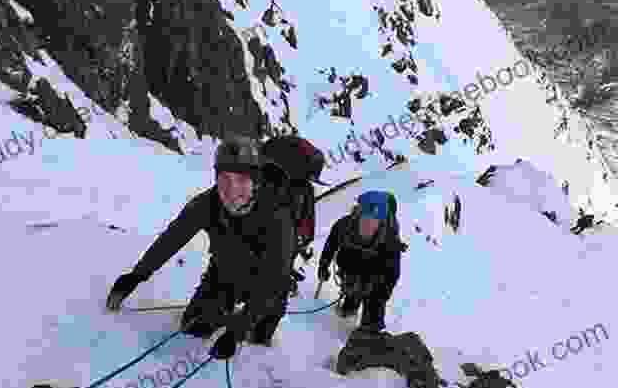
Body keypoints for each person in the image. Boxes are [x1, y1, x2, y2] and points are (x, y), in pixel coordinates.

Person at [106, 135, 296, 360]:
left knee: (256, 341)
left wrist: (238, 330)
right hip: (226, 273)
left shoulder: (277, 215)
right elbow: (172, 238)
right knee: (193, 328)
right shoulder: (208, 204)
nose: (232, 190)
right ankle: (227, 312)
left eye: (242, 180)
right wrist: (137, 275)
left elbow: (274, 277)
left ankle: (252, 322)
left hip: (268, 284)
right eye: (225, 179)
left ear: (256, 182)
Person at [317, 190, 408, 332]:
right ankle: (346, 313)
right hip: (351, 267)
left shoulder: (389, 239)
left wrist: (383, 295)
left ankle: (369, 333)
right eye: (365, 219)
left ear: (381, 221)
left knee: (374, 304)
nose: (369, 224)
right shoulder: (344, 226)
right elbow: (331, 243)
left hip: (376, 276)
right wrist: (323, 264)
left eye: (374, 221)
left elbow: (393, 273)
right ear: (358, 215)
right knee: (352, 291)